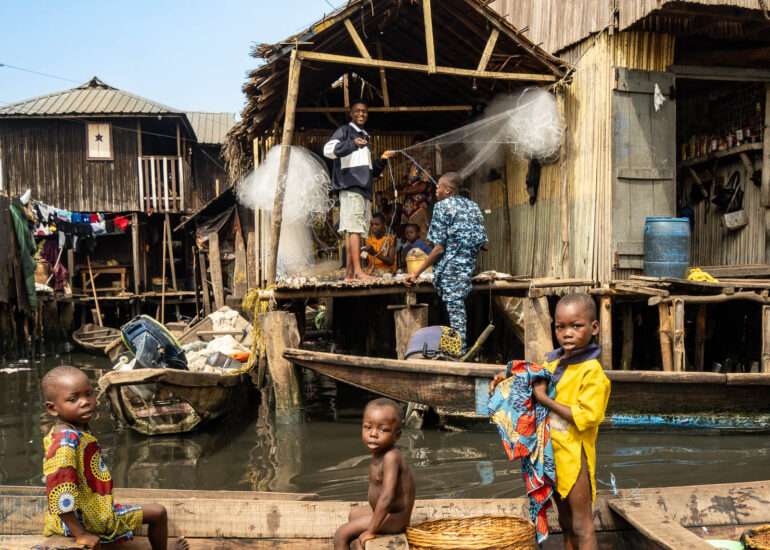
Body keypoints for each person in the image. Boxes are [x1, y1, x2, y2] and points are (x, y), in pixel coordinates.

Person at [490, 294, 611, 550]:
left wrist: (544, 399)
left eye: (576, 326)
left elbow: (586, 417)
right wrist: (505, 377)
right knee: (565, 522)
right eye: (560, 327)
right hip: (549, 455)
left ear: (594, 328)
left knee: (582, 525)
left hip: (574, 457)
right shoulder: (554, 362)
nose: (567, 333)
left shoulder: (593, 372)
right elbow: (531, 376)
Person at [41, 366, 188, 550]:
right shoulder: (66, 442)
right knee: (158, 513)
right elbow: (60, 493)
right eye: (73, 399)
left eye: (89, 394)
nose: (85, 402)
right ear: (52, 409)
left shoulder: (74, 430)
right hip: (89, 521)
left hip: (87, 511)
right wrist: (81, 534)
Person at [405, 172, 487, 350]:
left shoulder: (442, 207)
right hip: (468, 269)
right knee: (458, 311)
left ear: (448, 190)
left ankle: (459, 352)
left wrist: (416, 273)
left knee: (456, 314)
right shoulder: (473, 206)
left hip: (451, 271)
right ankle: (457, 348)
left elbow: (438, 248)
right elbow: (484, 244)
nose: (436, 189)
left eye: (438, 187)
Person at [324, 101, 396, 280]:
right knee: (354, 230)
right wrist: (352, 143)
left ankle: (350, 273)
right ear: (351, 114)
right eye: (357, 111)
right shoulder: (345, 131)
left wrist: (383, 159)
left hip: (364, 189)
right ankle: (358, 270)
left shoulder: (365, 137)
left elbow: (370, 171)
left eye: (364, 111)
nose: (361, 114)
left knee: (355, 230)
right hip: (351, 187)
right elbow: (328, 150)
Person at [333, 398, 415, 550]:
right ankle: (358, 544)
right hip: (384, 512)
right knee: (354, 514)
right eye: (368, 427)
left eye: (383, 429)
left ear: (397, 435)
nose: (373, 434)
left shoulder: (391, 457)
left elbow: (387, 497)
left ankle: (360, 538)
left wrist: (371, 530)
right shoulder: (379, 453)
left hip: (395, 518)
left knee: (341, 534)